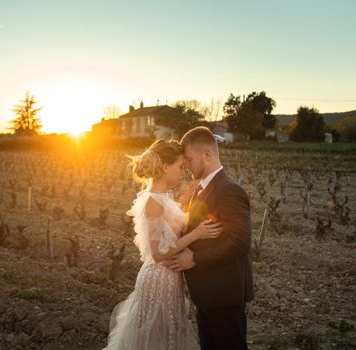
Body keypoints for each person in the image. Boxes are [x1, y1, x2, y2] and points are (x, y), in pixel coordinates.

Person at [103, 139, 223, 350]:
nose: (182, 172)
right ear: (165, 167)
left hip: (168, 279)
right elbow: (159, 253)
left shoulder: (162, 198)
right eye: (179, 167)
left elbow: (173, 229)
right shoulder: (153, 202)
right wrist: (196, 234)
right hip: (158, 279)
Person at [163, 126, 254, 349]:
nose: (185, 166)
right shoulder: (200, 188)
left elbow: (240, 242)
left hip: (224, 295)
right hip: (206, 294)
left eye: (189, 159)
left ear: (207, 154)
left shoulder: (229, 190)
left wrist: (195, 259)